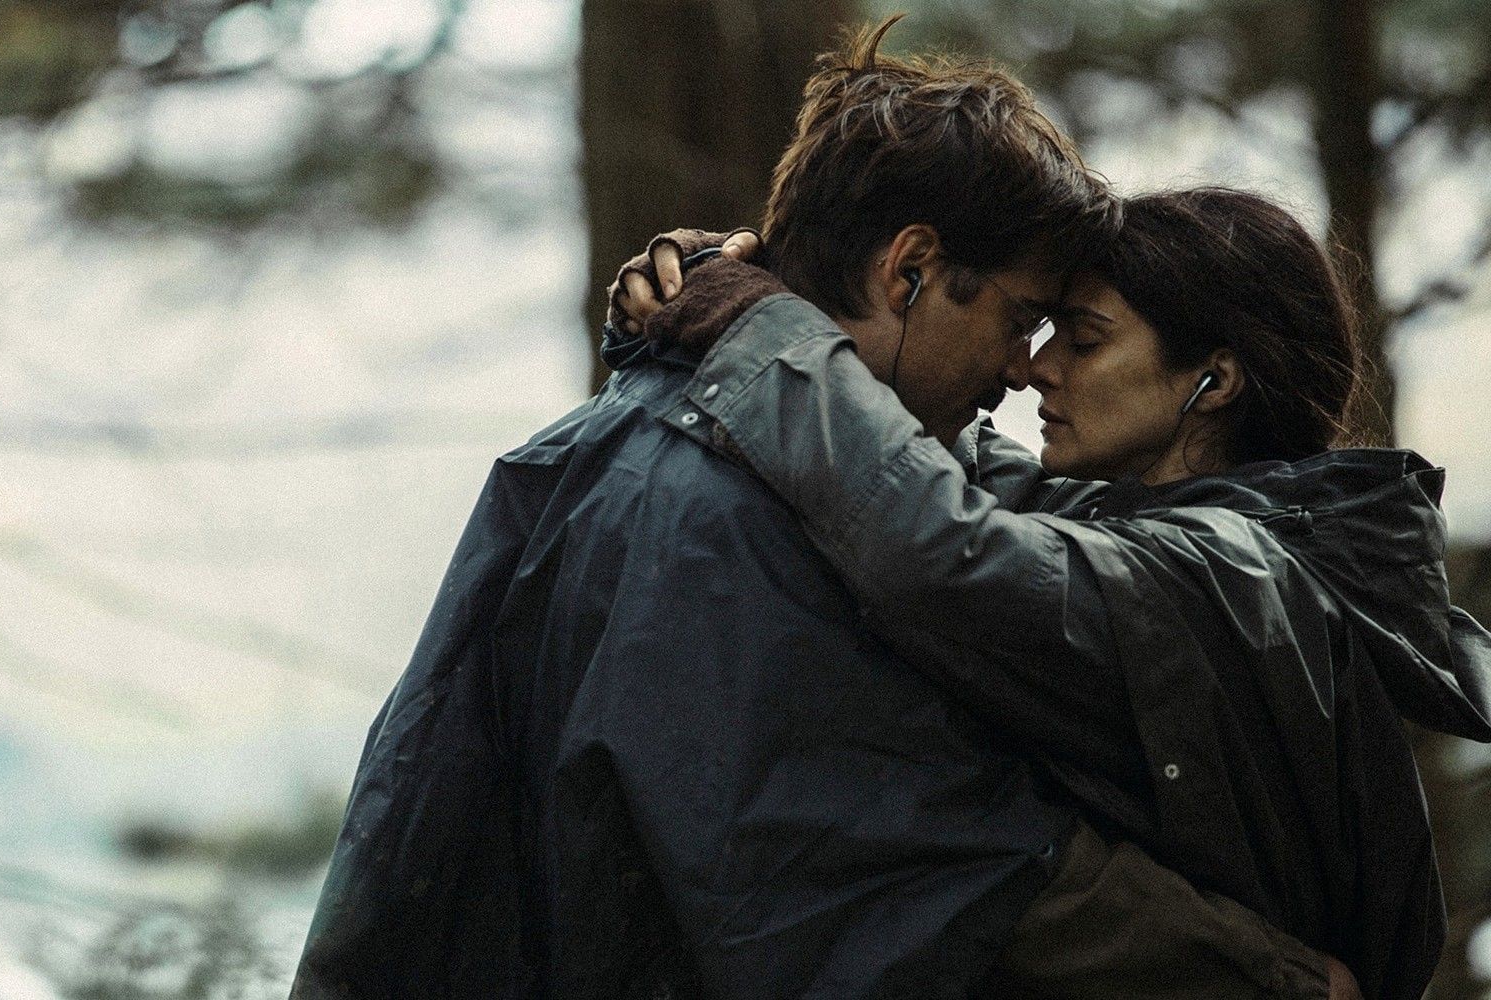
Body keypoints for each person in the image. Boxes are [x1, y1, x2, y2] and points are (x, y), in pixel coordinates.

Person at [293, 22, 1350, 1000]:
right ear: (911, 270)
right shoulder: (743, 520)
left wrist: (739, 316)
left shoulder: (599, 448)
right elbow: (944, 873)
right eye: (1024, 319)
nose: (1023, 370)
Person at [609, 187, 1491, 999]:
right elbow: (938, 465)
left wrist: (760, 331)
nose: (1034, 369)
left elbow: (937, 545)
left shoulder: (1233, 573)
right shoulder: (1156, 528)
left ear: (1213, 383)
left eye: (1085, 337)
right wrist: (736, 297)